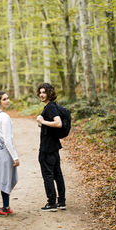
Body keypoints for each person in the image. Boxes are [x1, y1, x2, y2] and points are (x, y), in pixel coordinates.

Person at [36, 83, 66, 212]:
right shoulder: (52, 107)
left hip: (47, 148)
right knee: (57, 174)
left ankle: (52, 203)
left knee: (48, 175)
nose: (42, 95)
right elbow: (53, 123)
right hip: (53, 146)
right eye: (40, 92)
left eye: (44, 92)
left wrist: (42, 122)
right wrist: (43, 125)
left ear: (49, 93)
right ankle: (61, 202)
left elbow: (58, 123)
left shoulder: (50, 107)